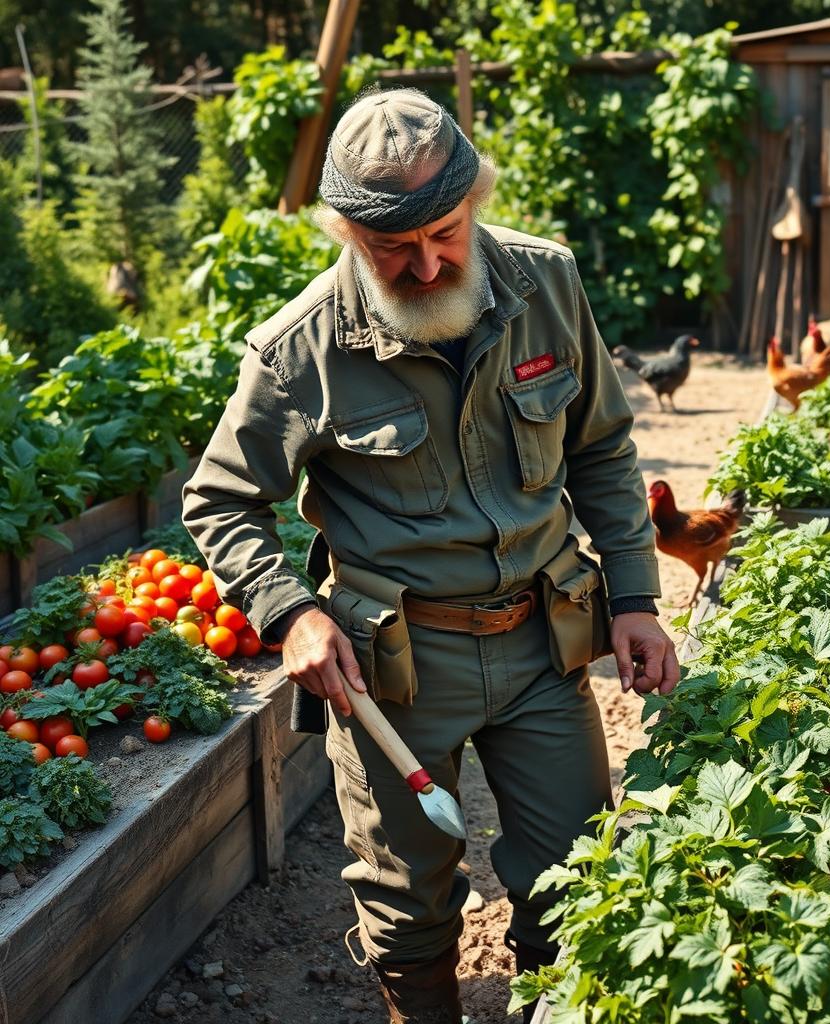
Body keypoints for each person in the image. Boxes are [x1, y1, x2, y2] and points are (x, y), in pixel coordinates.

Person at [182, 87, 678, 1024]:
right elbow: (219, 499)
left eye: (444, 233)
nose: (424, 264)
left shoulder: (548, 285)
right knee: (406, 899)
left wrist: (635, 598)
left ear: (475, 200)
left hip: (544, 639)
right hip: (397, 674)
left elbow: (602, 448)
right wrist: (292, 612)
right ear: (346, 235)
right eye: (390, 249)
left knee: (578, 873)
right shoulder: (301, 351)